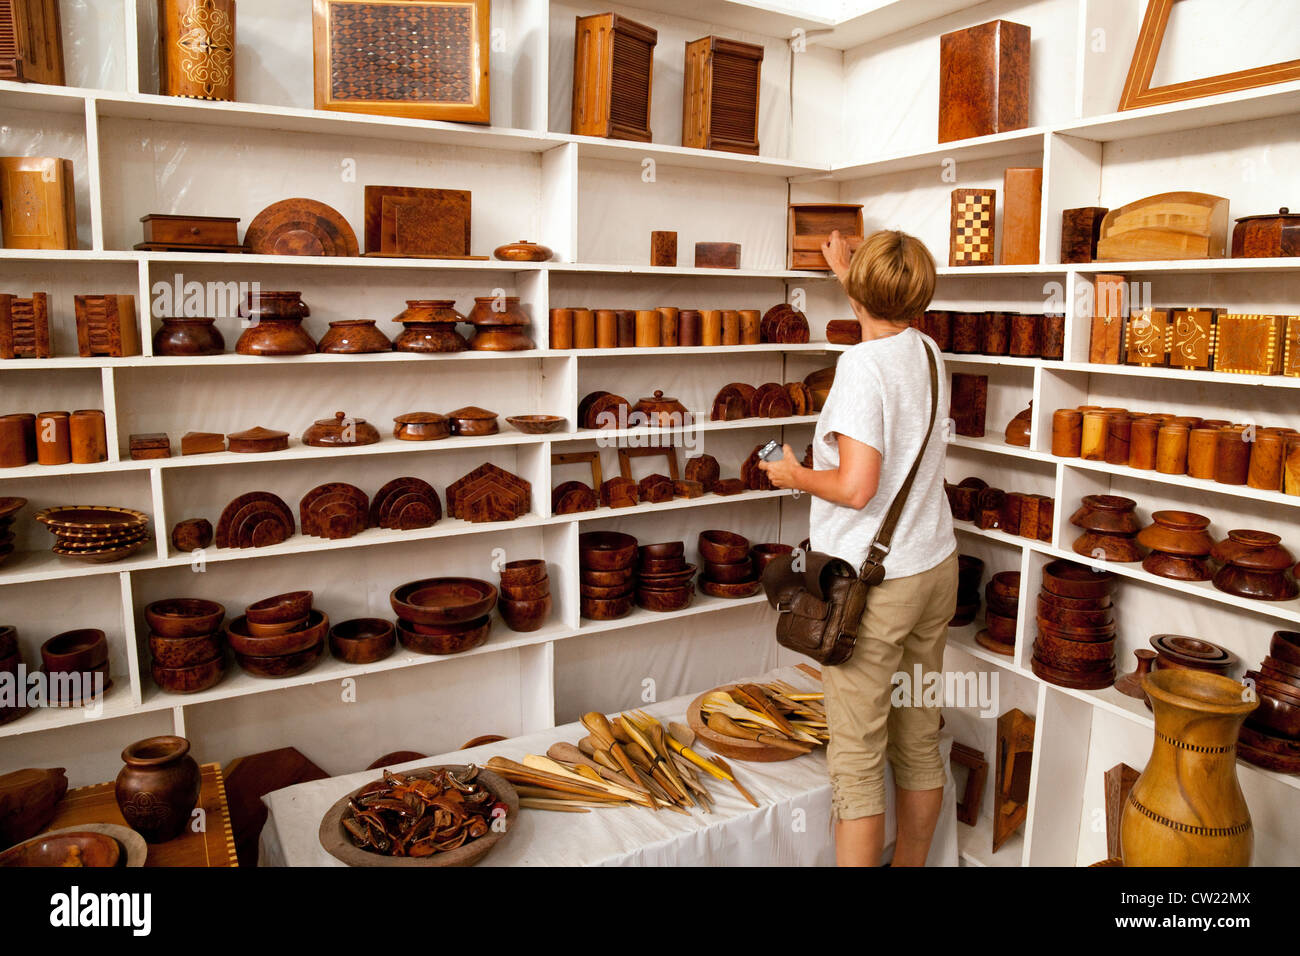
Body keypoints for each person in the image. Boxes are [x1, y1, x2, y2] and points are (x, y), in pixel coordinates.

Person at [759, 229, 957, 867]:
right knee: (919, 737)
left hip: (877, 587)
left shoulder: (860, 367)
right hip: (934, 568)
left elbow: (855, 486)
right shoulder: (926, 350)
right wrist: (850, 273)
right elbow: (885, 318)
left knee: (857, 758)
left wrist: (793, 476)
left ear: (862, 296)